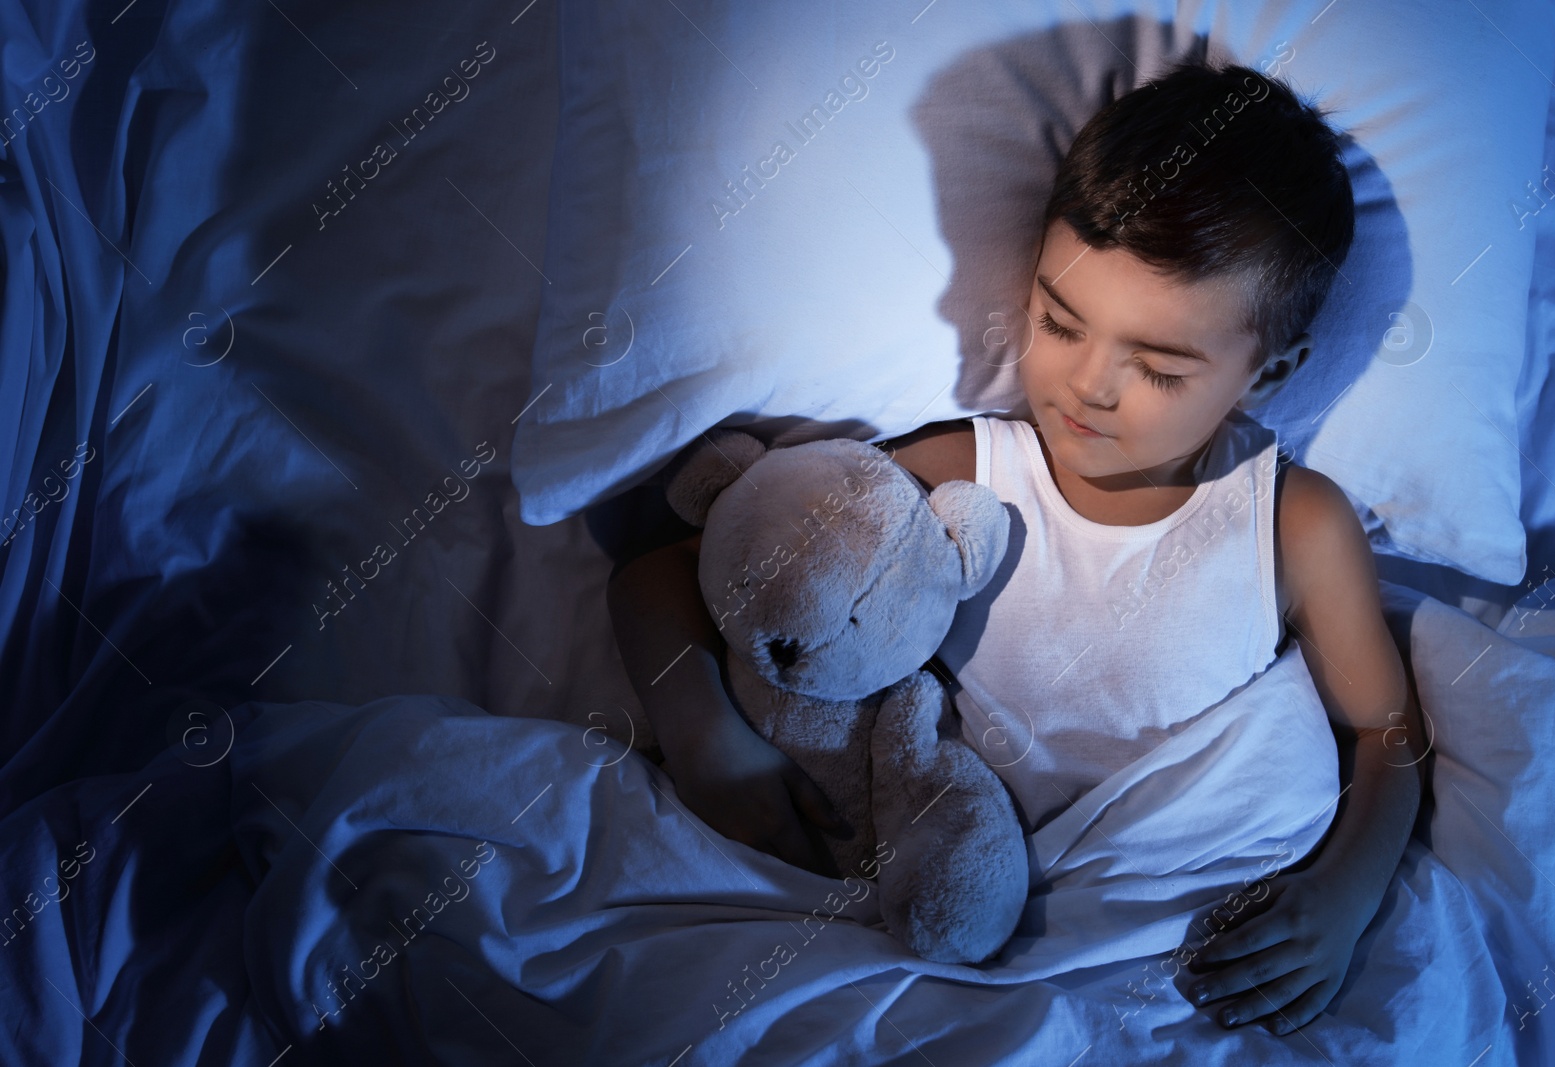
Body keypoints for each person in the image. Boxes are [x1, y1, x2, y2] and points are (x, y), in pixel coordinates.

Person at [607, 59, 1424, 1037]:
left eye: (1159, 368)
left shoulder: (1293, 523)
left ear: (1271, 369)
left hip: (1157, 951)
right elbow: (659, 574)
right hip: (911, 910)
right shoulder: (965, 471)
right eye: (1057, 321)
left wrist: (1345, 892)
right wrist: (710, 743)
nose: (1088, 386)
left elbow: (1389, 733)